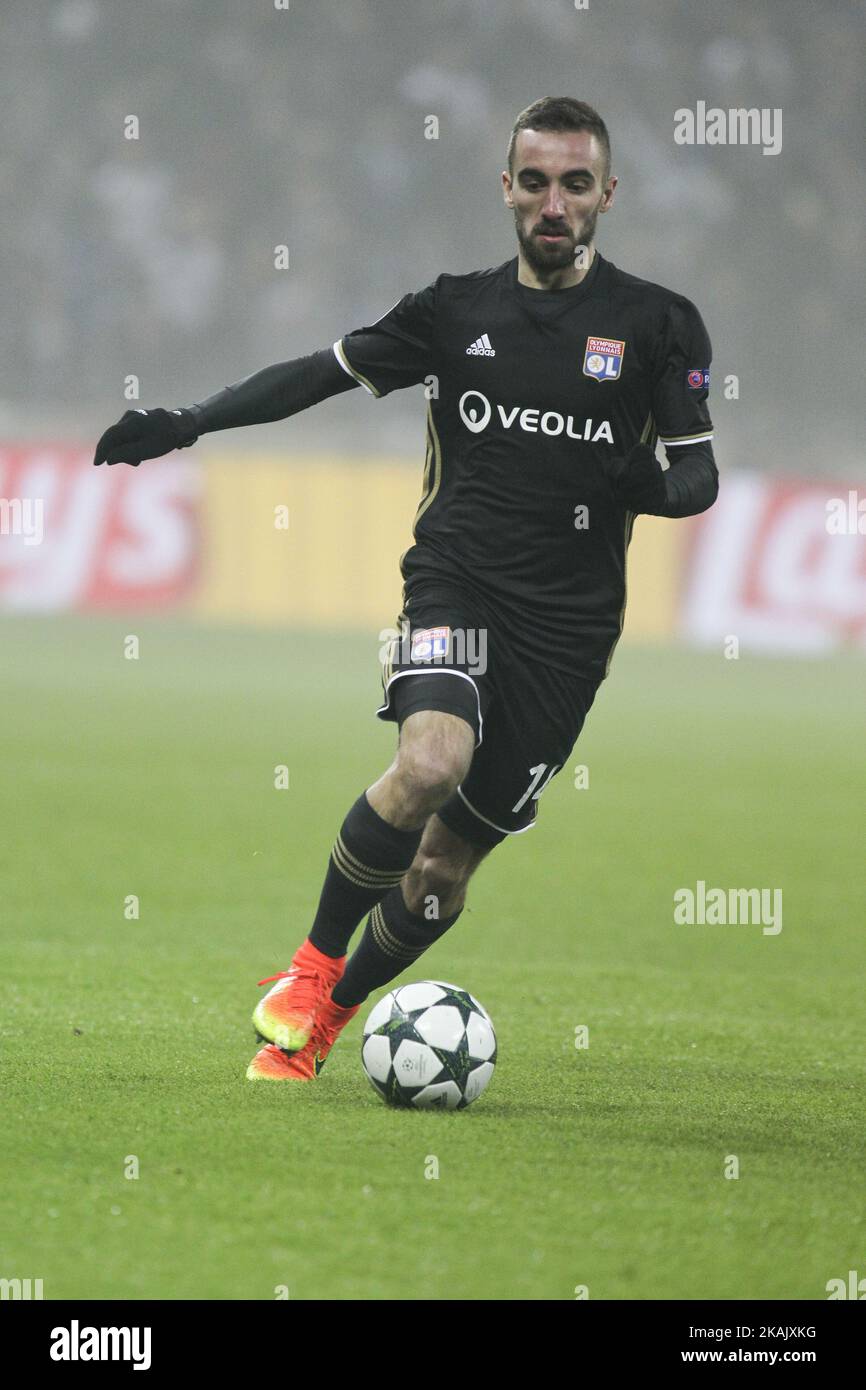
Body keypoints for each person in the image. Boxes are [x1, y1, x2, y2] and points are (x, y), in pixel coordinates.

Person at [94, 97, 718, 1084]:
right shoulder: (453, 310)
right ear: (504, 187)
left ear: (606, 194)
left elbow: (696, 477)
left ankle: (329, 1023)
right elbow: (320, 373)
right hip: (455, 584)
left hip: (567, 634)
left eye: (573, 183)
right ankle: (308, 969)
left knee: (440, 873)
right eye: (533, 180)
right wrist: (189, 420)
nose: (551, 201)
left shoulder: (656, 324)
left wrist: (633, 480)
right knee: (429, 760)